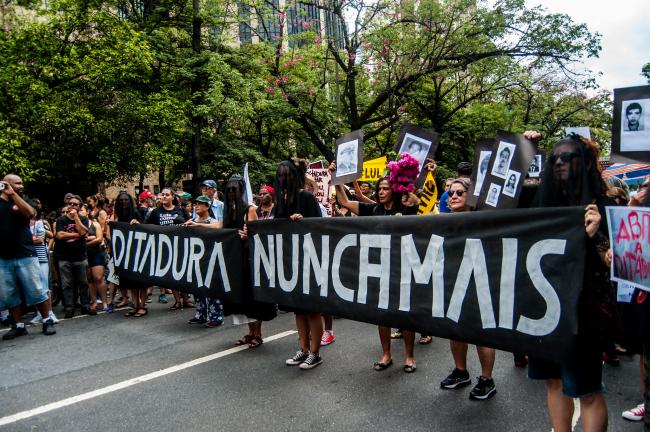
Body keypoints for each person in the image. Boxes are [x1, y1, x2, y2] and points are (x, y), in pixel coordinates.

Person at [526, 132, 613, 432]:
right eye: (555, 159)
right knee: (553, 381)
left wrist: (597, 234)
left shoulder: (603, 205)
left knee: (586, 388)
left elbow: (617, 261)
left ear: (585, 163)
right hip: (547, 307)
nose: (560, 163)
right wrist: (527, 147)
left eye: (568, 157)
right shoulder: (544, 203)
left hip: (583, 310)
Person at [332, 162, 420, 373]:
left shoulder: (406, 208)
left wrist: (409, 191)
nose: (381, 192)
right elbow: (344, 200)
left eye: (385, 189)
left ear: (394, 191)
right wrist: (335, 177)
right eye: (379, 189)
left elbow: (416, 201)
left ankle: (409, 356)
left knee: (405, 314)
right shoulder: (372, 209)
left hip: (402, 269)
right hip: (378, 269)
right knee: (383, 315)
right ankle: (386, 354)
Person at [439, 178, 497, 400]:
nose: (452, 196)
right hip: (455, 282)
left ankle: (487, 379)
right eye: (451, 193)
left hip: (479, 282)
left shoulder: (484, 221)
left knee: (481, 333)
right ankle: (461, 371)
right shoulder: (445, 222)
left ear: (471, 197)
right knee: (455, 329)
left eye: (459, 193)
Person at [272, 160, 324, 369]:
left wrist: (303, 221)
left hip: (309, 260)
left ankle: (315, 352)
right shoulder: (280, 201)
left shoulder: (306, 197)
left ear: (295, 176)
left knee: (311, 309)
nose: (284, 179)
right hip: (290, 261)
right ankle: (303, 349)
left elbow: (320, 226)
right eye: (281, 176)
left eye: (288, 175)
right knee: (298, 310)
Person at [222, 175, 276, 347]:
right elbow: (220, 226)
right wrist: (196, 225)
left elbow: (255, 234)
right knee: (242, 298)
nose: (231, 193)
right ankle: (250, 332)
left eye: (234, 190)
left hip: (250, 259)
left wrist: (248, 235)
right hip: (236, 259)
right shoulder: (229, 211)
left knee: (253, 298)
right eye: (229, 190)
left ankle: (258, 333)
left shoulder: (250, 209)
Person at [0, 174, 56, 339]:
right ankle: (18, 325)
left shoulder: (23, 199)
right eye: (17, 183)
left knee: (36, 289)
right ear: (6, 183)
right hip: (3, 257)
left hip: (25, 253)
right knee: (9, 294)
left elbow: (30, 213)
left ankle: (47, 320)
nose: (21, 185)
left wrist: (13, 194)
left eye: (21, 183)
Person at [143, 187, 191, 311]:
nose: (164, 197)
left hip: (182, 247)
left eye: (167, 195)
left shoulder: (181, 210)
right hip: (166, 249)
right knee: (173, 275)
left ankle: (186, 300)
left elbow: (191, 223)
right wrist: (135, 223)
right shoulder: (156, 212)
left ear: (173, 197)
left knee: (184, 275)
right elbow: (145, 226)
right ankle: (177, 301)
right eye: (162, 194)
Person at [183, 195, 224, 327]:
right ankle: (200, 314)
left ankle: (216, 316)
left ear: (207, 207)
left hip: (211, 260)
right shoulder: (192, 220)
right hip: (196, 260)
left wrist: (198, 225)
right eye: (196, 204)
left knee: (212, 288)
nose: (196, 206)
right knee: (197, 288)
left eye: (200, 204)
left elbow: (218, 227)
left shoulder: (212, 221)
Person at [54, 194, 92, 319]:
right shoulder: (61, 220)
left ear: (79, 206)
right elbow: (59, 235)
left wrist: (76, 218)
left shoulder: (83, 219)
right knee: (67, 285)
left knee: (83, 283)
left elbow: (83, 232)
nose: (72, 206)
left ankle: (85, 305)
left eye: (75, 204)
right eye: (70, 203)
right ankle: (69, 307)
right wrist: (78, 235)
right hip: (64, 258)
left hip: (80, 257)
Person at [105, 191, 141, 313]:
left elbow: (144, 228)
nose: (123, 202)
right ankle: (131, 303)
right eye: (121, 200)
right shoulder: (117, 215)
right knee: (119, 278)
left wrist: (137, 224)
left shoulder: (135, 212)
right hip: (120, 251)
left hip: (134, 251)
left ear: (129, 201)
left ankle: (137, 305)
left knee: (134, 279)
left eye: (126, 200)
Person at [81, 204, 108, 313]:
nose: (79, 212)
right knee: (89, 279)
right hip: (84, 255)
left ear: (87, 212)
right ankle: (94, 301)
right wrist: (91, 238)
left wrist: (87, 241)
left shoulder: (95, 224)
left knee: (98, 278)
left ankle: (105, 302)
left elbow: (99, 239)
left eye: (82, 210)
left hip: (96, 253)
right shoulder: (76, 225)